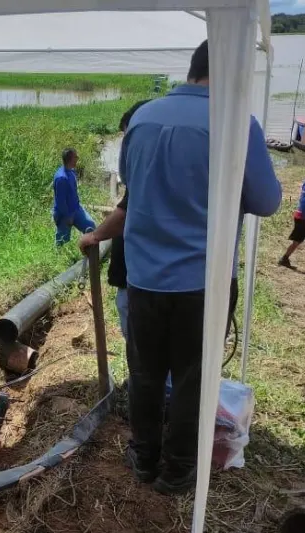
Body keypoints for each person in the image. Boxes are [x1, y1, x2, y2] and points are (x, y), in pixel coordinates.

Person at [118, 40, 281, 495]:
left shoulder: (144, 118)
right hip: (202, 282)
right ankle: (178, 470)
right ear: (232, 73)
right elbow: (266, 202)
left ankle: (145, 459)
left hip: (145, 277)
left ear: (192, 69)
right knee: (193, 378)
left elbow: (133, 188)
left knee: (145, 373)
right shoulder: (235, 124)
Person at [79, 100, 149, 338]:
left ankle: (142, 376)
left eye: (129, 135)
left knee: (143, 346)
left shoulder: (147, 169)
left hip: (140, 281)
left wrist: (95, 236)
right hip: (145, 278)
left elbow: (124, 214)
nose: (128, 144)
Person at [53, 148, 96, 246]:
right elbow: (61, 202)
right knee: (62, 242)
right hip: (64, 214)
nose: (77, 158)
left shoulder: (71, 172)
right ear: (70, 159)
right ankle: (61, 259)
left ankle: (90, 253)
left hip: (76, 209)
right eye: (76, 157)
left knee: (90, 227)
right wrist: (68, 216)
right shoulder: (61, 178)